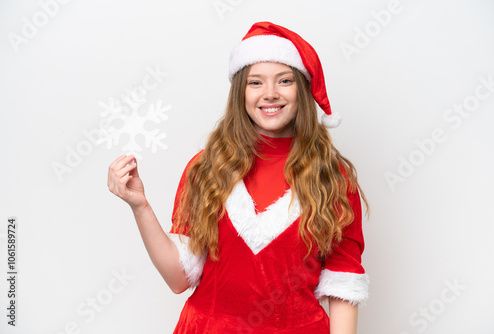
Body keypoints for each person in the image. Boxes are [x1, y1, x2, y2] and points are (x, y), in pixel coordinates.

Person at [108, 21, 369, 334]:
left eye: (284, 80)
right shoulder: (207, 167)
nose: (270, 94)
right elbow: (178, 279)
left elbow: (344, 283)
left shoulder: (333, 177)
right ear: (240, 92)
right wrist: (140, 206)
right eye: (255, 83)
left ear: (302, 90)